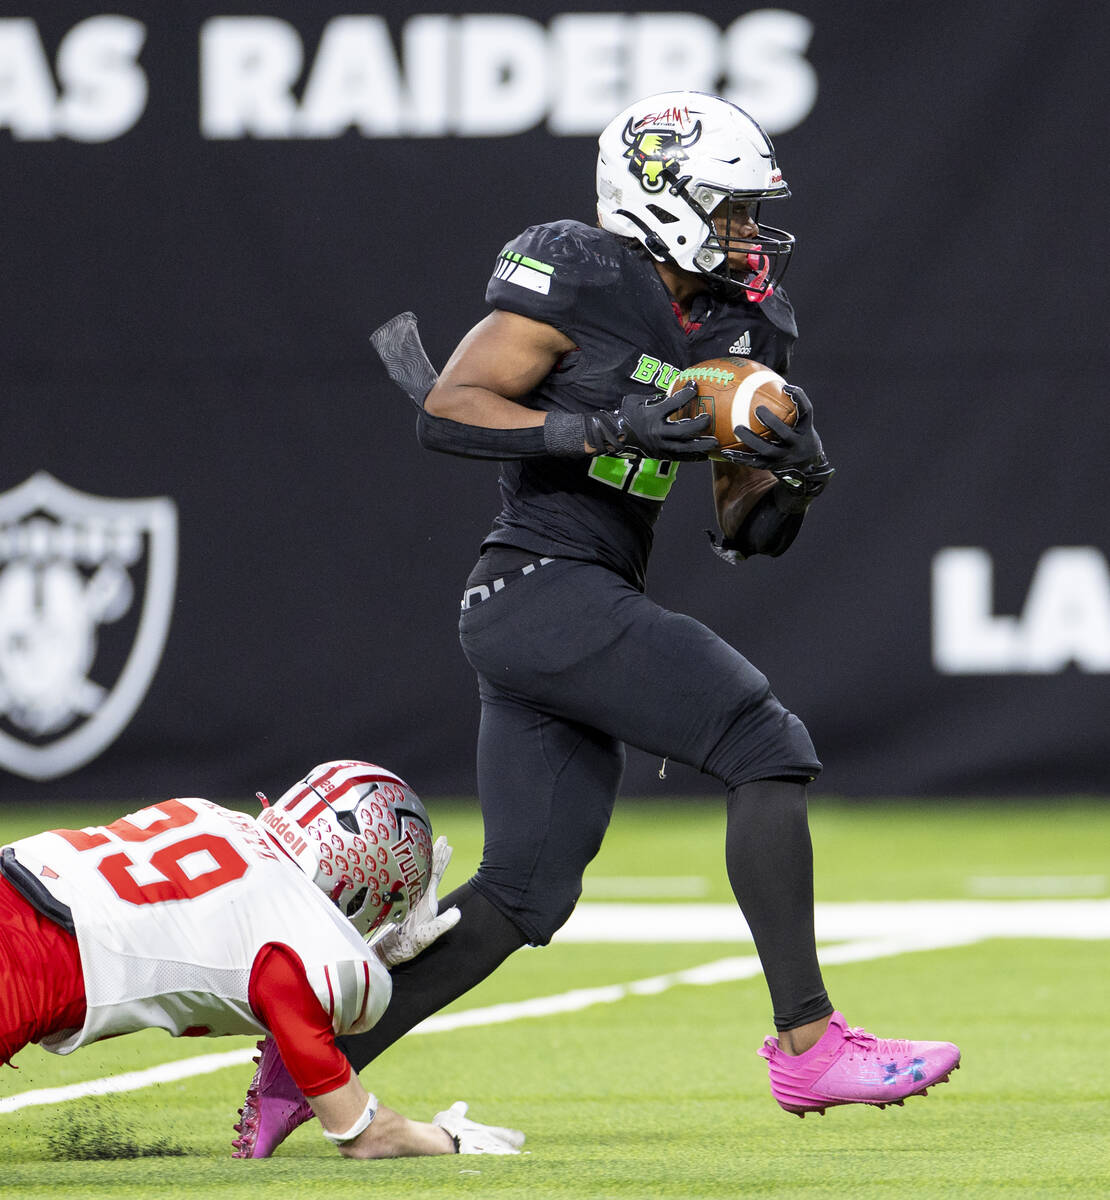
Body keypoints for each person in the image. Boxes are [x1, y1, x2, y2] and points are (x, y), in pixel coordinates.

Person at [234, 89, 960, 1157]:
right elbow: (452, 409)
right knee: (765, 743)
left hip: (561, 600)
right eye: (733, 209)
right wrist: (610, 421)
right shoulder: (579, 266)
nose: (750, 234)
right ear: (661, 194)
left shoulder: (744, 325)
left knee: (526, 892)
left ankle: (307, 1074)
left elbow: (739, 533)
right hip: (540, 582)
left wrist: (792, 480)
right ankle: (809, 1043)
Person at [0, 759, 524, 1159]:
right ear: (367, 885)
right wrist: (445, 1139)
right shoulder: (306, 943)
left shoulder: (208, 812)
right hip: (32, 959)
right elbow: (358, 1134)